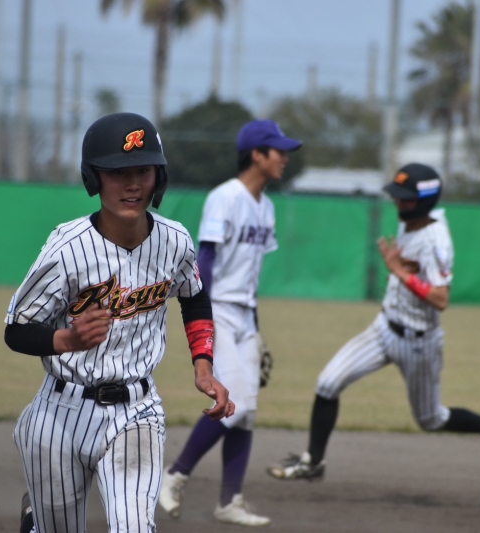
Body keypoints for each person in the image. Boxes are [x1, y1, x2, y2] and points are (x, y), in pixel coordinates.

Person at [4, 112, 234, 533]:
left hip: (137, 412)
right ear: (94, 177)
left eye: (143, 171)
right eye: (118, 173)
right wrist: (67, 339)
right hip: (59, 412)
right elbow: (17, 330)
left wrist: (204, 367)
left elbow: (194, 297)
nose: (132, 185)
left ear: (158, 176)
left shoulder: (175, 241)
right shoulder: (67, 248)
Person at [267, 163, 480, 482]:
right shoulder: (410, 222)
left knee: (431, 419)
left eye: (405, 197)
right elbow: (414, 271)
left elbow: (441, 298)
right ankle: (314, 461)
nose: (397, 201)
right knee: (327, 383)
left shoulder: (436, 240)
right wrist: (404, 273)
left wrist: (400, 273)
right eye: (397, 195)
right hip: (384, 328)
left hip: (419, 342)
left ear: (424, 201)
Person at [157, 120, 302, 526]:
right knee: (235, 405)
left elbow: (250, 276)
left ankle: (230, 501)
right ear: (257, 154)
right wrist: (203, 318)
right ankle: (175, 475)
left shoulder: (266, 206)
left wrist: (256, 333)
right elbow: (206, 260)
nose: (285, 158)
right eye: (279, 151)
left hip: (245, 317)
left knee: (248, 412)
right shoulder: (225, 197)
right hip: (217, 308)